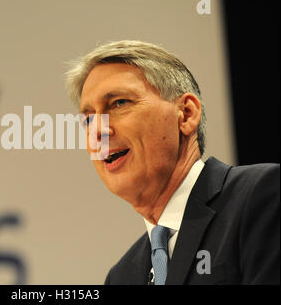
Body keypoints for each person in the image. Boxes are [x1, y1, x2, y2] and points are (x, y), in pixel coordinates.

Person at [65, 40, 280, 285]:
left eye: (119, 103)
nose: (98, 131)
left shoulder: (261, 197)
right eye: (88, 119)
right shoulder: (121, 277)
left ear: (186, 114)